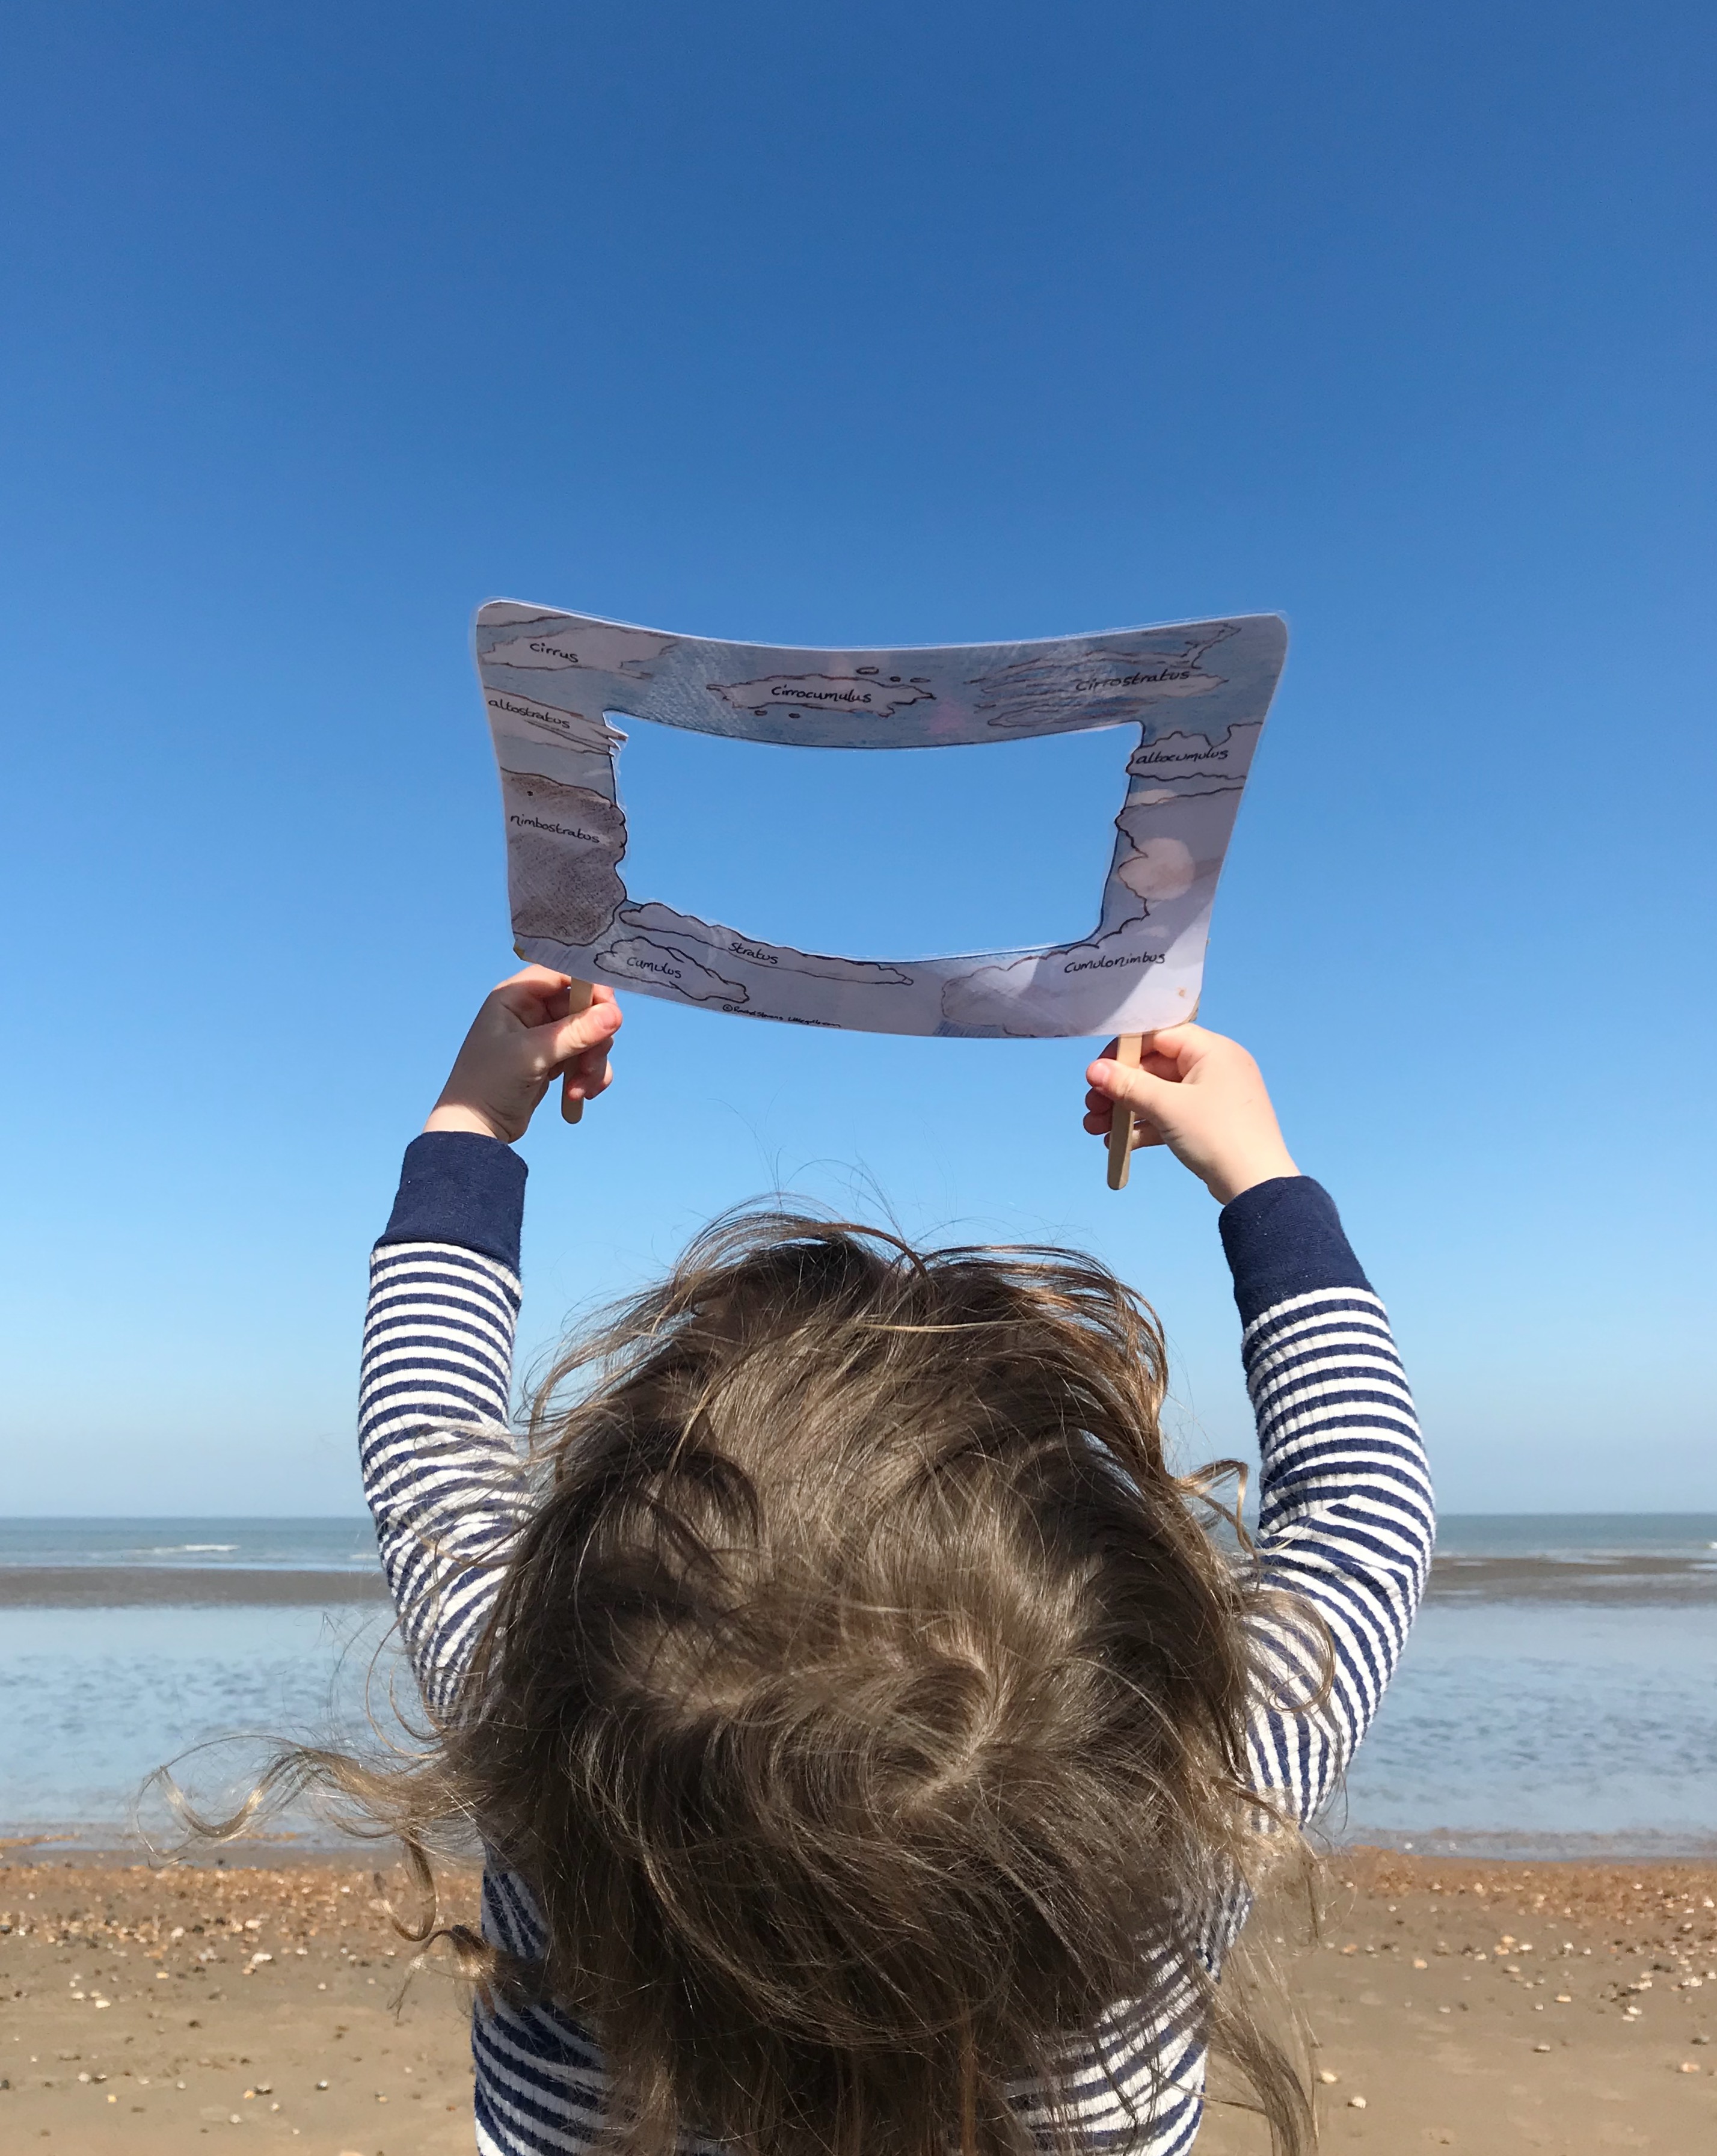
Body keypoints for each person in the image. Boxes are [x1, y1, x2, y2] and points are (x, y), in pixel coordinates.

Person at [347, 967, 1430, 2156]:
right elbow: (1365, 1513)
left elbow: (427, 1439)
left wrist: (472, 1122)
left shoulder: (541, 1751)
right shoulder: (1174, 1843)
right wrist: (1258, 1173)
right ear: (1139, 1640)